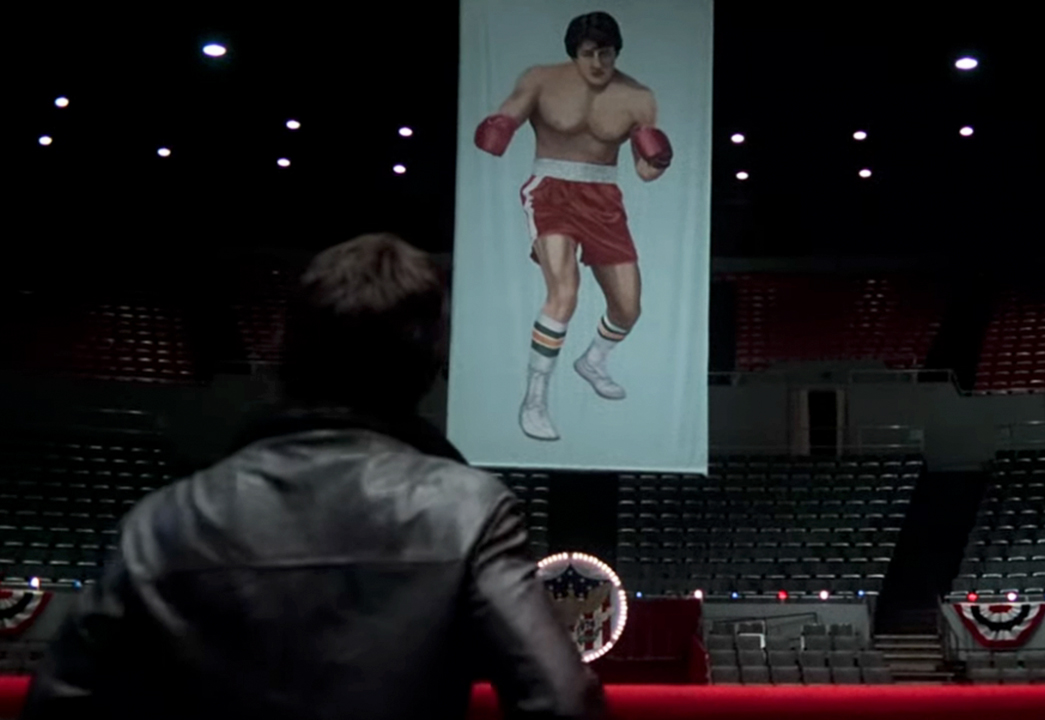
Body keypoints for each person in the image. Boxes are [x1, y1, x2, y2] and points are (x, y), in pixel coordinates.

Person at [21, 234, 606, 720]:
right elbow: (560, 700)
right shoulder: (469, 510)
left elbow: (62, 702)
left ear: (287, 350)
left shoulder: (164, 521)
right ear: (428, 367)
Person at [475, 10, 673, 442]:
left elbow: (643, 171)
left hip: (603, 196)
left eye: (606, 53)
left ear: (617, 51)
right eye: (589, 54)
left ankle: (594, 361)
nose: (598, 63)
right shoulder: (542, 80)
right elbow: (508, 113)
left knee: (628, 307)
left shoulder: (639, 97)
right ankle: (535, 397)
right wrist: (501, 125)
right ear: (574, 53)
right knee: (563, 292)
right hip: (551, 190)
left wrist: (656, 162)